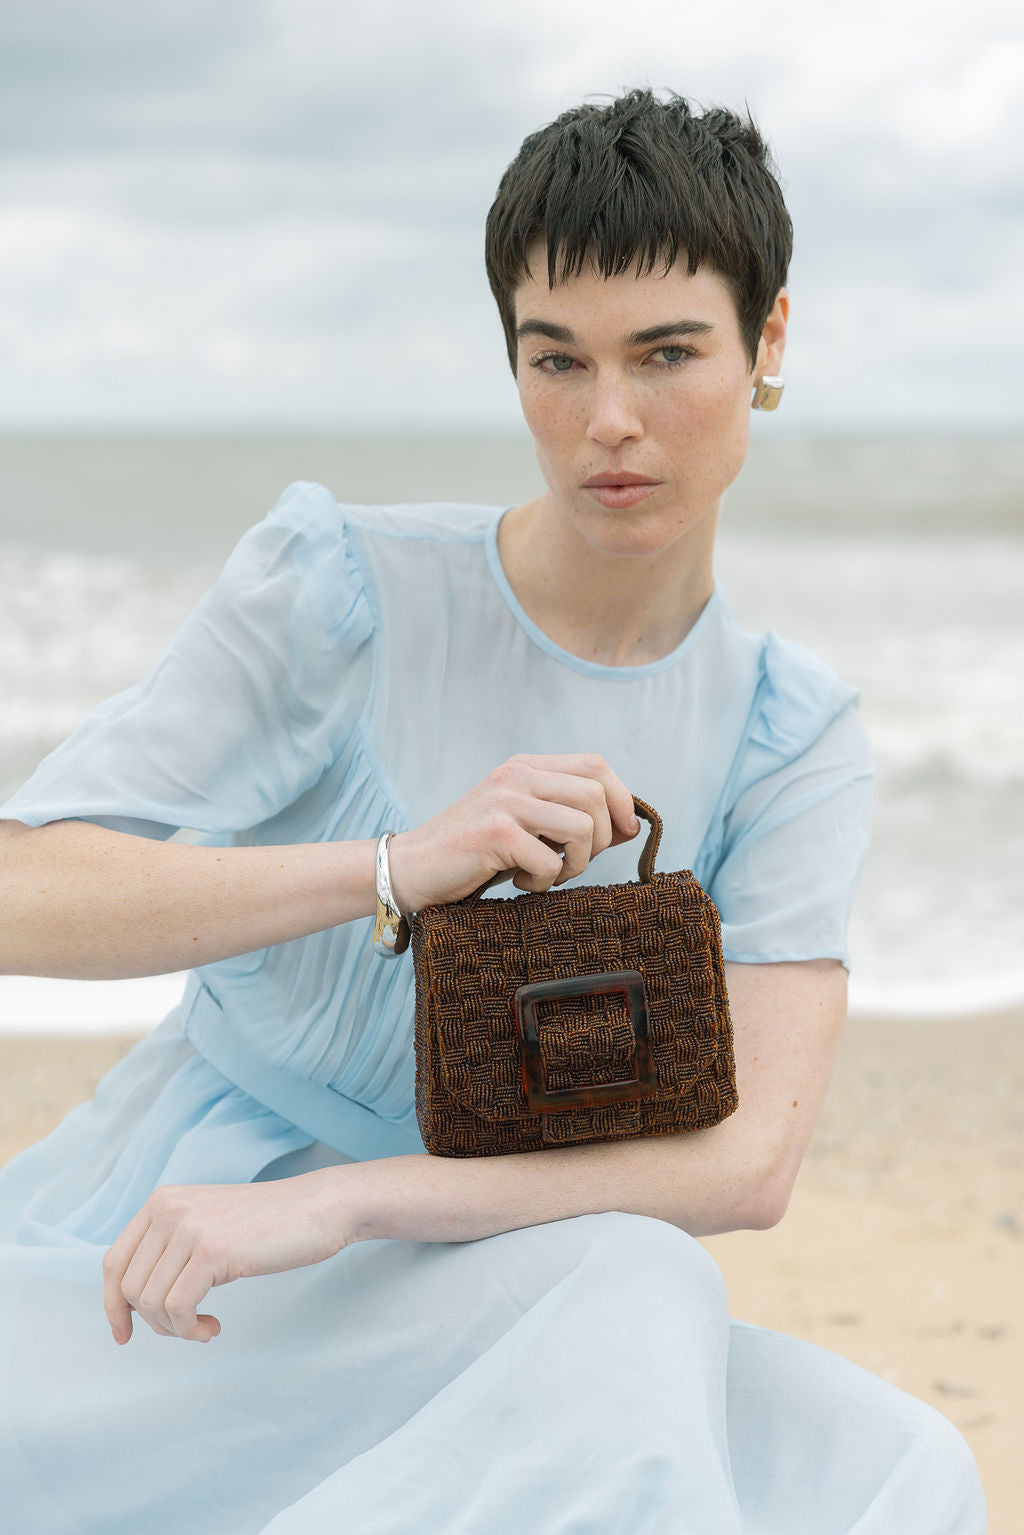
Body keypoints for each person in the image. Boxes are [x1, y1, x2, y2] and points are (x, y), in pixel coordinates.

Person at [0, 88, 985, 1534]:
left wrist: (355, 1202)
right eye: (556, 359)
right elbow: (24, 895)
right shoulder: (341, 594)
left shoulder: (791, 733)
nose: (608, 422)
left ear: (769, 344)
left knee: (899, 1469)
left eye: (668, 354)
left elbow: (747, 1163)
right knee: (636, 1286)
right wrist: (396, 865)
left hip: (493, 1260)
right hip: (195, 1255)